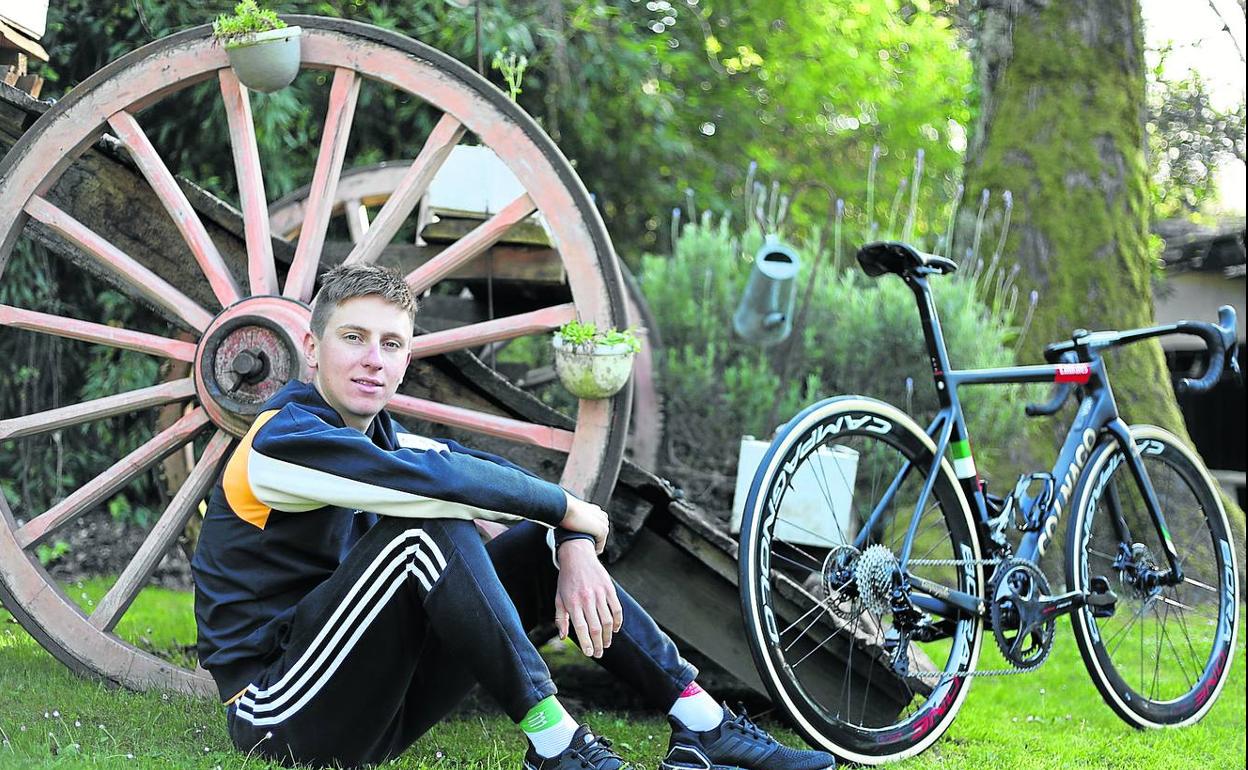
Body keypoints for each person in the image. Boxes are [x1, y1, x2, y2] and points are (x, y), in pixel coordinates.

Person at [191, 264, 836, 770]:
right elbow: (441, 485)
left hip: (375, 705)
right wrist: (572, 507)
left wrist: (569, 534)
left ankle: (703, 725)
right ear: (311, 345)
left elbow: (472, 467)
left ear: (408, 359)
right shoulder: (282, 441)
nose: (373, 359)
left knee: (533, 542)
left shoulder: (384, 438)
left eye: (391, 344)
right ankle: (556, 744)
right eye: (353, 338)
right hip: (279, 714)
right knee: (429, 524)